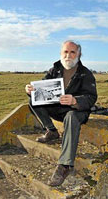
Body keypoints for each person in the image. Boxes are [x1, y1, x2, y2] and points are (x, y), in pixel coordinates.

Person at [25, 40, 97, 186]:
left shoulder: (85, 74)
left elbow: (91, 97)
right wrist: (31, 91)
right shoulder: (54, 70)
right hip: (58, 108)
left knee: (71, 116)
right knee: (33, 101)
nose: (68, 55)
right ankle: (51, 131)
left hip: (77, 112)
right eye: (65, 52)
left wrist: (75, 100)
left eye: (72, 52)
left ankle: (65, 165)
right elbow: (41, 87)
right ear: (61, 53)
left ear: (79, 54)